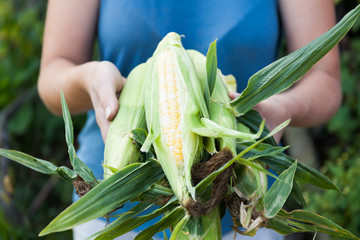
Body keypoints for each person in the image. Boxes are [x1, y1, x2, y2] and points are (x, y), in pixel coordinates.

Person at [37, 0, 341, 239]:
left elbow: (324, 79)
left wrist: (282, 107)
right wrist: (89, 79)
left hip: (243, 214)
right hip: (117, 211)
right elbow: (53, 73)